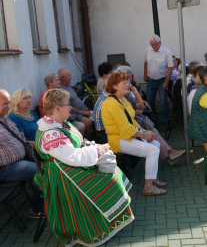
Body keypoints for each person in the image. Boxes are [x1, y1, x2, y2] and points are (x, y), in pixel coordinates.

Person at [33, 89, 134, 246]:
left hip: (69, 166)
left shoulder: (60, 123)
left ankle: (111, 219)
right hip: (62, 175)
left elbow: (76, 148)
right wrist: (98, 150)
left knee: (112, 171)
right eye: (68, 105)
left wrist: (95, 148)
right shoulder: (50, 133)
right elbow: (73, 156)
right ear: (57, 108)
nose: (71, 107)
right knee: (107, 180)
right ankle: (97, 227)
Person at [102, 72, 167, 196]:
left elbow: (131, 121)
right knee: (152, 150)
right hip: (118, 140)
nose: (128, 85)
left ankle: (152, 179)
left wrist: (144, 131)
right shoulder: (112, 102)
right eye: (124, 83)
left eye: (128, 82)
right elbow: (125, 127)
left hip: (126, 136)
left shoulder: (121, 99)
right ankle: (148, 187)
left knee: (156, 144)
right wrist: (143, 136)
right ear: (114, 86)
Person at [0, 89, 44, 218]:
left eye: (9, 103)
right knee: (45, 171)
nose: (9, 107)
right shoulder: (11, 117)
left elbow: (21, 138)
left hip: (22, 160)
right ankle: (36, 209)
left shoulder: (5, 119)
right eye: (5, 104)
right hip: (6, 169)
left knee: (51, 164)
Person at [144, 34, 173, 132]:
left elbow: (170, 68)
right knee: (150, 101)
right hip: (150, 80)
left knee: (163, 103)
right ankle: (154, 122)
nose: (153, 47)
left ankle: (166, 123)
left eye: (155, 44)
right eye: (151, 44)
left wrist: (166, 82)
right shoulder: (148, 50)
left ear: (159, 42)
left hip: (162, 80)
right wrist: (145, 75)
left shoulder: (166, 52)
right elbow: (145, 63)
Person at [58, 68, 92, 139]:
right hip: (75, 114)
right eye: (69, 76)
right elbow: (70, 108)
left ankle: (98, 137)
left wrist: (84, 106)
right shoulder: (62, 91)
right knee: (88, 122)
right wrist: (84, 113)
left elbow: (76, 98)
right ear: (63, 78)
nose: (71, 77)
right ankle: (85, 141)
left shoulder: (68, 86)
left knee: (97, 114)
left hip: (82, 110)